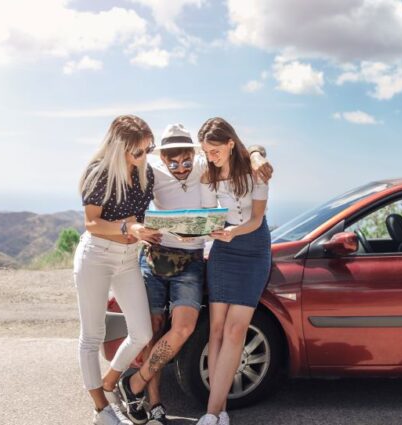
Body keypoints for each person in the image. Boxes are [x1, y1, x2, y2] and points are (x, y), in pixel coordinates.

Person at [115, 123, 273, 425]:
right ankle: (178, 406)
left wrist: (256, 155)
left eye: (189, 158)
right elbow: (199, 211)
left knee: (222, 330)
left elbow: (255, 211)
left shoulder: (228, 168)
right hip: (186, 255)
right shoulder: (192, 171)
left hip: (229, 252)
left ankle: (213, 412)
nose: (181, 166)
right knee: (193, 330)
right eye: (172, 161)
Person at [74, 115, 161, 425]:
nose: (144, 157)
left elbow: (141, 219)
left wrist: (150, 232)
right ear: (119, 148)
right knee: (92, 335)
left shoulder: (145, 174)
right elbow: (92, 223)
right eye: (138, 151)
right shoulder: (98, 173)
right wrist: (129, 227)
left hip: (128, 258)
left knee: (141, 332)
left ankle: (111, 382)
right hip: (96, 255)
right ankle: (101, 409)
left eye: (148, 149)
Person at [198, 117, 272, 425]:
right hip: (223, 251)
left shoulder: (256, 172)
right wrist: (209, 232)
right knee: (216, 331)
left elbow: (255, 220)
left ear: (230, 144)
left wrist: (233, 231)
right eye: (206, 151)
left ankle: (211, 413)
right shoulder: (207, 176)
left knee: (235, 330)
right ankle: (220, 411)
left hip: (253, 248)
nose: (210, 157)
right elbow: (209, 217)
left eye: (214, 150)